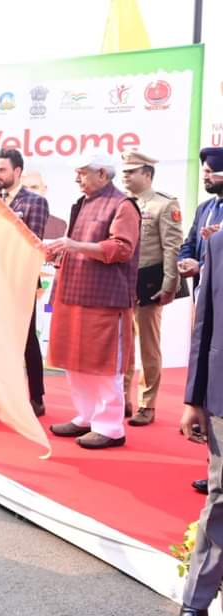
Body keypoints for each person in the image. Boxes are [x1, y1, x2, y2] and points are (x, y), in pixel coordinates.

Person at [46, 151, 140, 450]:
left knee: (104, 366)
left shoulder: (122, 205)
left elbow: (122, 249)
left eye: (83, 171)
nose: (77, 177)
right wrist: (59, 250)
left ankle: (110, 427)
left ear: (102, 174)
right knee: (75, 363)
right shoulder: (83, 202)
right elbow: (76, 247)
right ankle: (86, 417)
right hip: (73, 293)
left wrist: (75, 245)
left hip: (105, 299)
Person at [178, 160, 223, 614]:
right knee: (221, 498)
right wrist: (192, 400)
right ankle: (196, 602)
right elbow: (204, 327)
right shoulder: (218, 244)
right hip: (222, 397)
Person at [119, 149, 183, 427]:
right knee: (122, 346)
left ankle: (147, 404)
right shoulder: (121, 203)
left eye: (131, 172)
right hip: (121, 282)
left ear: (147, 174)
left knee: (148, 347)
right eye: (124, 171)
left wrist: (169, 285)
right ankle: (122, 397)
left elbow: (172, 248)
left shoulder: (163, 205)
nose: (125, 176)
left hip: (149, 284)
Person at [0, 148, 49, 416]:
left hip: (21, 279)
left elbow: (33, 242)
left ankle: (36, 398)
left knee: (26, 339)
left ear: (17, 171)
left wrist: (8, 224)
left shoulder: (34, 202)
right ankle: (3, 394)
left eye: (2, 170)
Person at [178, 148, 223, 294]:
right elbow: (190, 243)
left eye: (209, 172)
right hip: (202, 291)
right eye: (204, 171)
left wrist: (201, 265)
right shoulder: (204, 208)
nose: (204, 177)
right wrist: (183, 261)